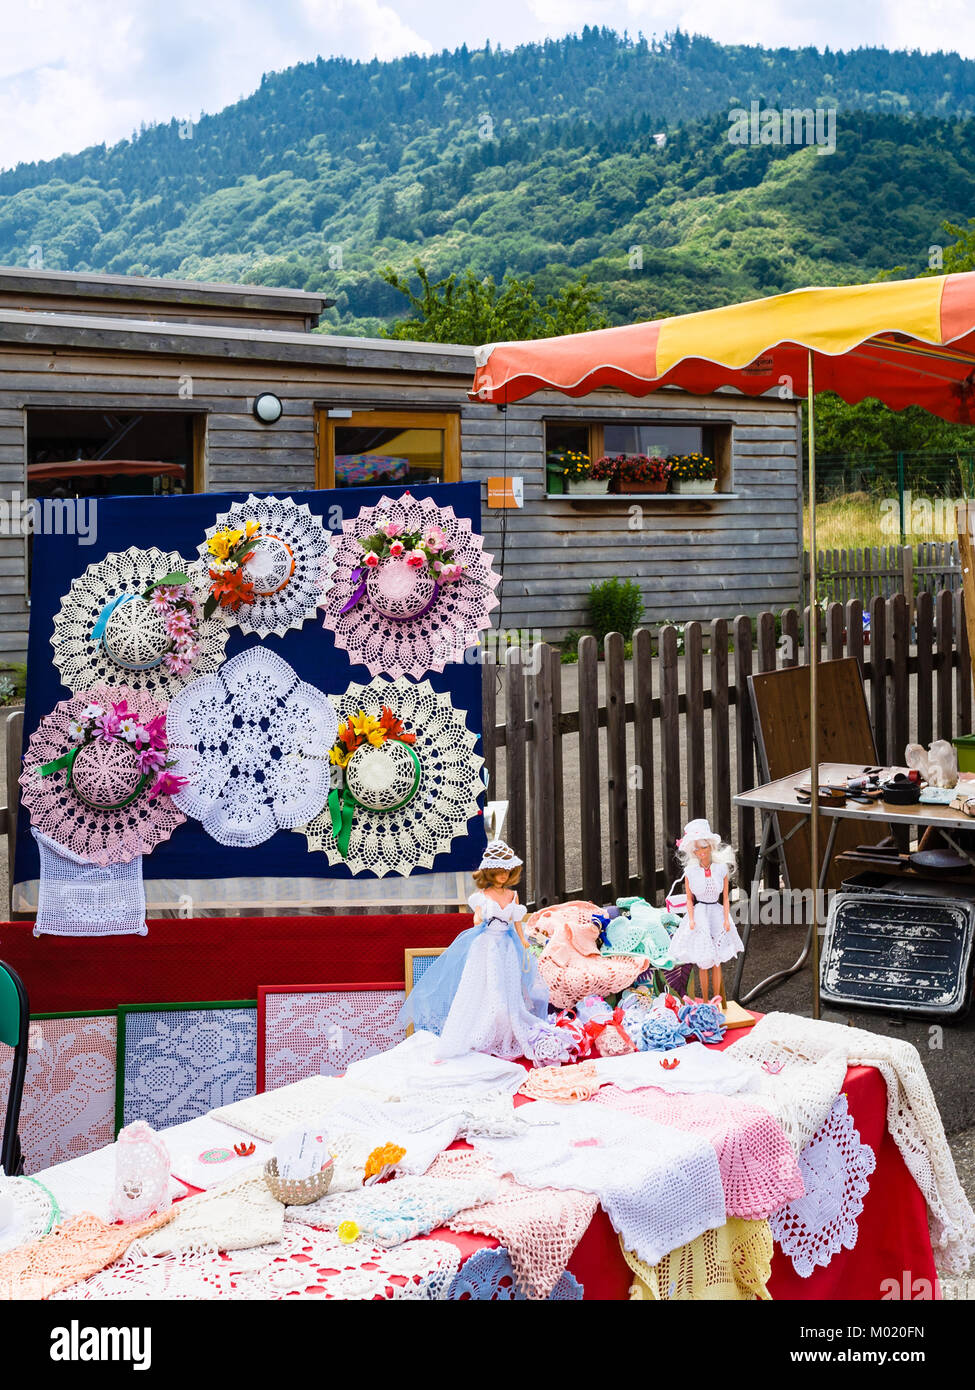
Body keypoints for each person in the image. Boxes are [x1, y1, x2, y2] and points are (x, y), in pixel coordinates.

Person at [398, 840, 550, 1059]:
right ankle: (482, 1028)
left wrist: (523, 939)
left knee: (509, 987)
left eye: (507, 872)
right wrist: (478, 917)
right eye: (498, 872)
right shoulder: (483, 896)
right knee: (485, 985)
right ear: (490, 873)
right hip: (487, 945)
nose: (503, 877)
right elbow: (476, 917)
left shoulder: (513, 895)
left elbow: (517, 921)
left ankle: (506, 1029)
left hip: (507, 946)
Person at [668, 818, 743, 1000]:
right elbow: (688, 899)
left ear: (710, 847)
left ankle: (717, 998)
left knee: (717, 962)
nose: (701, 852)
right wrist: (692, 918)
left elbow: (725, 897)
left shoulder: (720, 870)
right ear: (693, 852)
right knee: (702, 962)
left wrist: (726, 918)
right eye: (697, 849)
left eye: (704, 847)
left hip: (716, 913)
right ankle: (706, 1000)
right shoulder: (691, 873)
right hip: (700, 913)